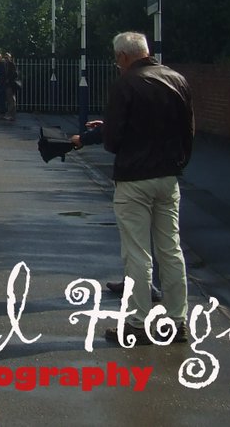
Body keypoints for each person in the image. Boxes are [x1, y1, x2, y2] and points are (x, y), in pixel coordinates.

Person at [71, 31, 194, 346]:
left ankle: (139, 325)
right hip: (169, 178)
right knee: (171, 249)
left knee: (137, 253)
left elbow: (113, 142)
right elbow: (187, 131)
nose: (117, 65)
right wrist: (177, 164)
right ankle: (178, 322)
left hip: (135, 179)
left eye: (117, 59)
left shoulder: (125, 84)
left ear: (125, 56)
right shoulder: (177, 80)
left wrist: (106, 132)